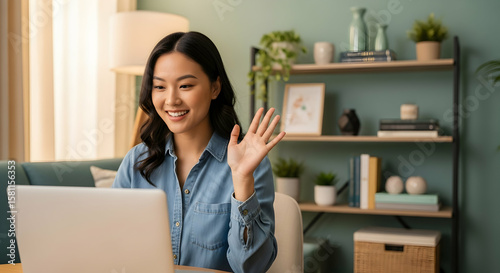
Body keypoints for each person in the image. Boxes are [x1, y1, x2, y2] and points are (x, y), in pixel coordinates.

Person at [112, 31, 285, 273]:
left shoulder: (249, 164)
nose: (171, 100)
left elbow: (251, 268)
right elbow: (111, 249)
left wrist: (242, 180)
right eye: (160, 86)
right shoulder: (136, 162)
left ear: (215, 87)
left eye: (185, 85)